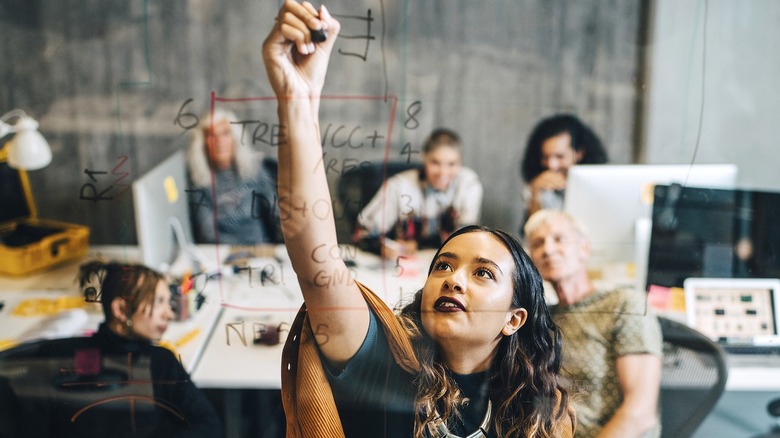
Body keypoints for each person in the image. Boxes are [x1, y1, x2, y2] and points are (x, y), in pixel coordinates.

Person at [262, 2, 575, 437]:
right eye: (443, 265)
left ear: (514, 319)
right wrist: (297, 100)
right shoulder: (382, 363)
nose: (453, 279)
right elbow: (317, 264)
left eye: (482, 273)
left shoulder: (535, 410)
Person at [0, 261, 223, 437]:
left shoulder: (70, 356)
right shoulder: (159, 362)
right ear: (120, 309)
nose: (169, 313)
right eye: (158, 303)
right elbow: (209, 425)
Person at [524, 209, 662, 438]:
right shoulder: (542, 319)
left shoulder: (624, 304)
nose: (547, 250)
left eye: (559, 239)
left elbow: (640, 412)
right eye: (538, 244)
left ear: (584, 249)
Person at [354, 128, 483, 259]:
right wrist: (382, 248)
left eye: (451, 164)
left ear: (460, 163)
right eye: (435, 162)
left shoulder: (468, 184)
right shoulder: (398, 186)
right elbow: (362, 234)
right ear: (424, 158)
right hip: (400, 265)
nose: (443, 172)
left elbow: (467, 238)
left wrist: (418, 245)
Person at [186, 107, 280, 244]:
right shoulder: (199, 180)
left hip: (261, 250)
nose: (219, 141)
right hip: (221, 253)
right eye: (212, 136)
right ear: (203, 144)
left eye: (225, 134)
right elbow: (206, 232)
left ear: (235, 138)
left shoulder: (255, 169)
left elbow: (276, 215)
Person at [520, 114, 608, 221]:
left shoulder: (601, 185)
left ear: (579, 153)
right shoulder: (537, 185)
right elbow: (532, 234)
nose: (551, 165)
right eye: (545, 157)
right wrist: (535, 195)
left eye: (559, 156)